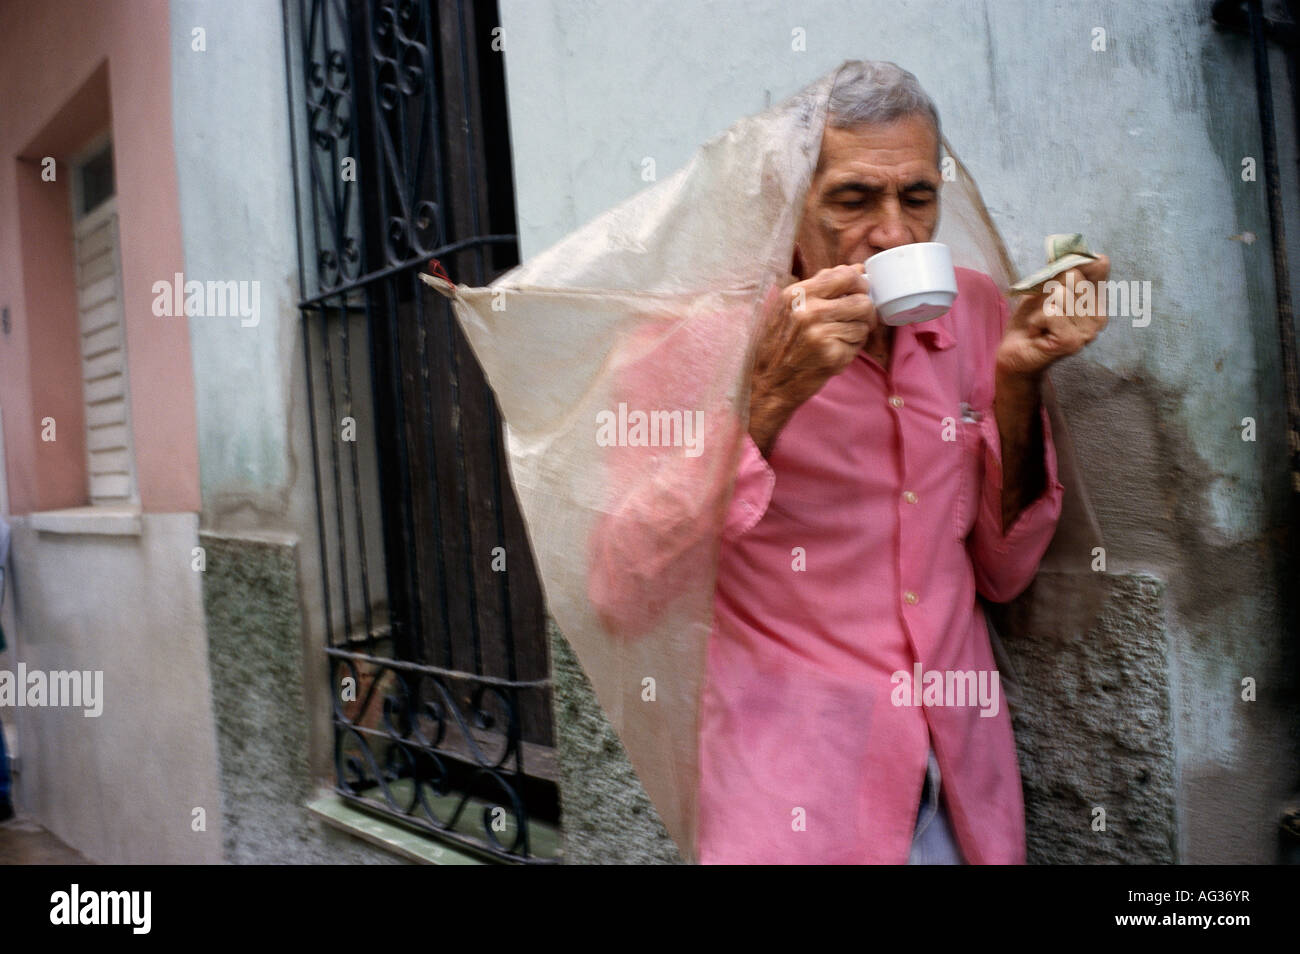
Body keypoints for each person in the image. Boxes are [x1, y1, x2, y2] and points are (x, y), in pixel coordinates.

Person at [691, 61, 1110, 864]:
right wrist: (771, 398)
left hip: (960, 777)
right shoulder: (706, 340)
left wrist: (1019, 378)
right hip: (793, 796)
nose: (893, 233)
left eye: (916, 198)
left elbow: (1004, 570)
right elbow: (625, 585)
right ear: (791, 206)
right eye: (853, 199)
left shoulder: (978, 307)